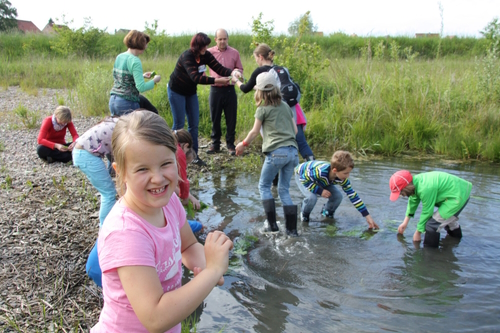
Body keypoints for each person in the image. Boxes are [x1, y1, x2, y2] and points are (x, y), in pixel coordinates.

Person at [91, 111, 233, 332]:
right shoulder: (126, 232)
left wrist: (207, 269)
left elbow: (188, 246)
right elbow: (155, 317)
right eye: (142, 169)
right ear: (121, 173)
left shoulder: (169, 203)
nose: (157, 178)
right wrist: (212, 272)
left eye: (166, 163)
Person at [235, 72, 300, 236]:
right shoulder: (285, 106)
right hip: (293, 152)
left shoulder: (262, 110)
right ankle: (292, 231)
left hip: (277, 153)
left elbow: (255, 131)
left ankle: (272, 227)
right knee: (284, 190)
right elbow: (295, 130)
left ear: (260, 92)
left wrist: (243, 144)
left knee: (264, 186)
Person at [168, 32, 241, 166]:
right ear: (196, 46)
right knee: (178, 125)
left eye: (206, 46)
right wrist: (217, 80)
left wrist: (232, 72)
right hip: (176, 91)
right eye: (203, 46)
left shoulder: (206, 55)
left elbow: (218, 67)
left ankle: (194, 156)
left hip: (190, 92)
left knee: (194, 125)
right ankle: (174, 157)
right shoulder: (187, 56)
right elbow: (195, 77)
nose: (205, 48)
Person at [233, 43, 315, 162]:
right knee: (301, 142)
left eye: (256, 58)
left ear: (260, 57)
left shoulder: (261, 71)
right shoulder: (281, 69)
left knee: (276, 144)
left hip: (275, 112)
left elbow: (245, 88)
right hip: (292, 109)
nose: (256, 61)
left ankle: (275, 178)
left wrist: (236, 80)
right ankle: (314, 169)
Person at [72, 116, 119, 287]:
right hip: (85, 155)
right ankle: (104, 228)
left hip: (83, 151)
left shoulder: (116, 122)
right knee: (109, 193)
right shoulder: (122, 129)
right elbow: (118, 155)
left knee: (109, 191)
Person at [294, 150, 379, 230]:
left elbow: (353, 196)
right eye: (346, 173)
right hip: (303, 176)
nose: (348, 176)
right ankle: (304, 213)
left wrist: (367, 216)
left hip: (324, 180)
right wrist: (320, 191)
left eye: (349, 173)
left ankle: (327, 212)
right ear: (335, 170)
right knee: (312, 197)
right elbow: (303, 179)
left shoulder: (342, 178)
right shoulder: (320, 171)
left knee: (337, 196)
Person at [390, 170, 472, 247]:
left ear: (406, 187)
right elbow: (413, 201)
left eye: (401, 192)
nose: (402, 195)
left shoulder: (425, 188)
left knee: (431, 225)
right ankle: (455, 243)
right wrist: (405, 222)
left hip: (458, 196)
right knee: (448, 221)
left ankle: (430, 256)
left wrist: (418, 232)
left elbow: (427, 211)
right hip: (457, 192)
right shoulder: (416, 182)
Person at [206, 29, 244, 156]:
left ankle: (230, 144)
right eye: (220, 39)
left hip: (229, 89)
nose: (222, 41)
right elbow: (200, 68)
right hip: (215, 89)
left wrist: (238, 72)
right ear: (215, 39)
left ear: (228, 39)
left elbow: (239, 68)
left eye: (224, 39)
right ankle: (215, 144)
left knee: (231, 118)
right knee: (215, 117)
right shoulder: (209, 52)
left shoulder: (234, 53)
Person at [109, 30, 161, 116]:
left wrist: (141, 76)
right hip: (127, 102)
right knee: (133, 129)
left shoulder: (120, 56)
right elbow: (141, 87)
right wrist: (154, 81)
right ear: (139, 43)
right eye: (145, 43)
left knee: (118, 128)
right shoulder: (135, 60)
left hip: (113, 101)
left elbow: (120, 78)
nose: (146, 46)